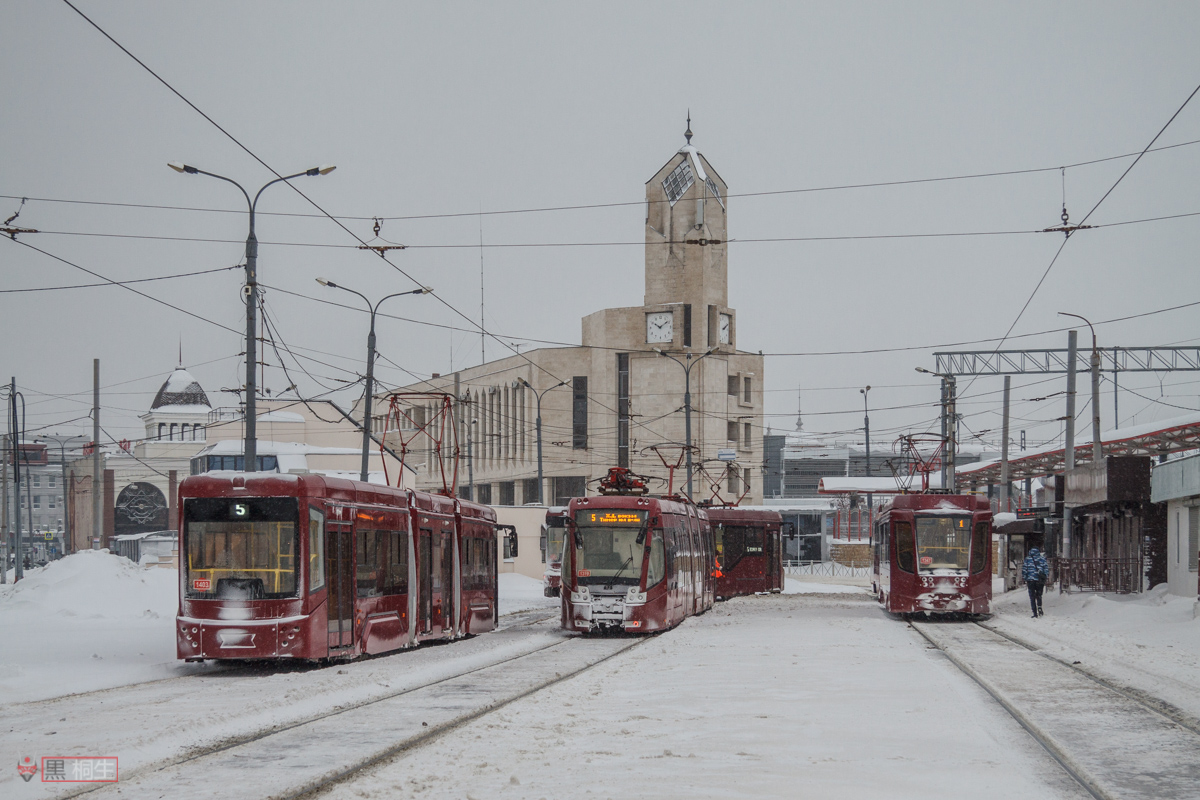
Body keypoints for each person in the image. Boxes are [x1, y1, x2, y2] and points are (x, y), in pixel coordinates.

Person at [1022, 546, 1050, 618]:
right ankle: (1039, 607)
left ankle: (1034, 612)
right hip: (1039, 581)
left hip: (1030, 580)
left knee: (1032, 597)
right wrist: (1044, 576)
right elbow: (1046, 569)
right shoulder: (1042, 559)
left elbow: (1024, 570)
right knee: (1039, 595)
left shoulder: (1027, 559)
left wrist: (1025, 578)